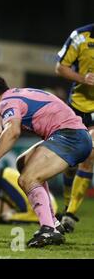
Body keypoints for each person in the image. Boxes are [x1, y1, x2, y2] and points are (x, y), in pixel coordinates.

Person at [0, 74, 92, 248]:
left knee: (27, 179)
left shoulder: (6, 102)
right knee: (23, 163)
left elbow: (13, 132)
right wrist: (4, 131)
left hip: (70, 137)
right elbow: (12, 128)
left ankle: (48, 228)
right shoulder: (16, 95)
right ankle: (53, 224)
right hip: (73, 134)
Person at [55, 23, 94, 232]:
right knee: (70, 163)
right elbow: (60, 67)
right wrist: (83, 78)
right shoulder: (80, 36)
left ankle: (70, 214)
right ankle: (67, 204)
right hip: (77, 107)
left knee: (89, 157)